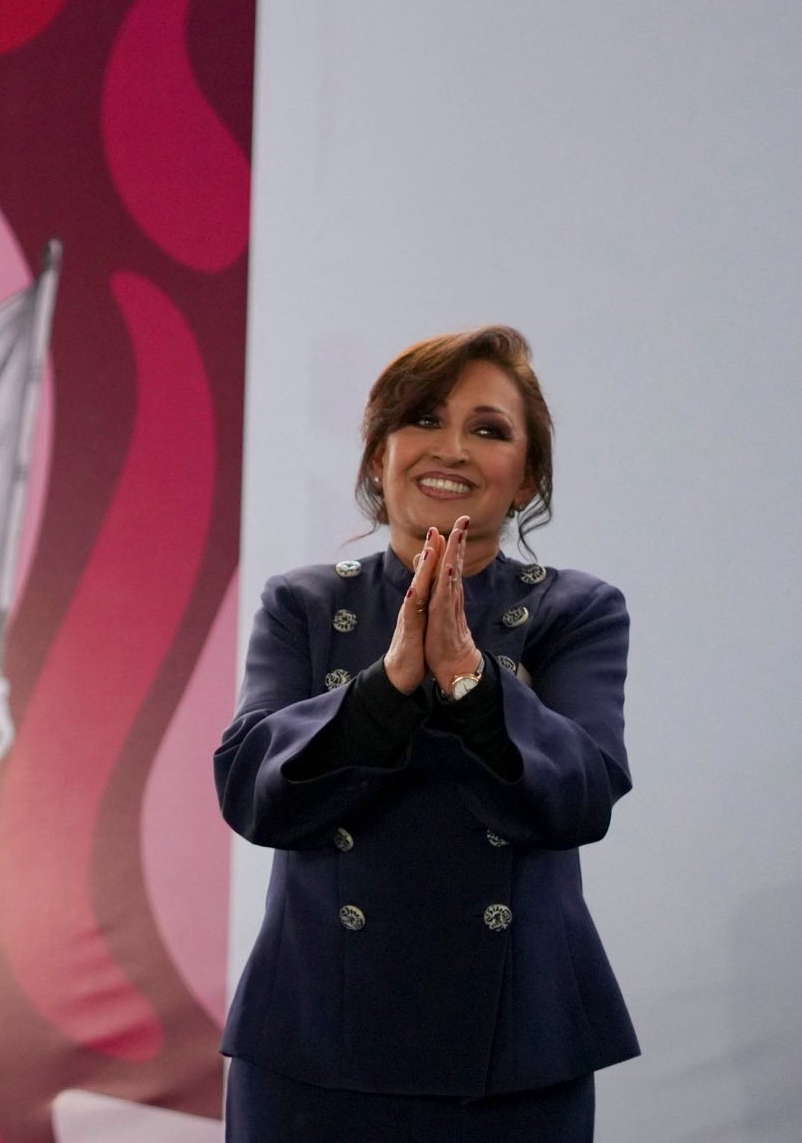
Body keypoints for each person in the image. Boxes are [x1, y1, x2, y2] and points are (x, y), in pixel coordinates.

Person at [213, 326, 638, 1142]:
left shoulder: (577, 611)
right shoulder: (301, 604)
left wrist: (471, 680)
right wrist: (388, 686)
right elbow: (251, 792)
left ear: (527, 477)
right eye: (424, 420)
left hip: (515, 1054)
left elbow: (582, 794)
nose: (452, 448)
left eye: (489, 429)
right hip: (311, 1047)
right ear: (380, 456)